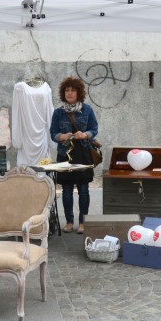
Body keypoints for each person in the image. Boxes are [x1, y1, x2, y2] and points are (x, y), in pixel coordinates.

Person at [49, 76, 99, 234]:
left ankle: (83, 222)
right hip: (65, 154)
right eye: (67, 90)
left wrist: (85, 135)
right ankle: (69, 222)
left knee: (84, 189)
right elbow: (53, 133)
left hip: (83, 154)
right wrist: (61, 137)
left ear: (79, 93)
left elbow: (94, 129)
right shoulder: (58, 113)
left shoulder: (87, 110)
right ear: (63, 93)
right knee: (67, 189)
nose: (69, 93)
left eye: (73, 90)